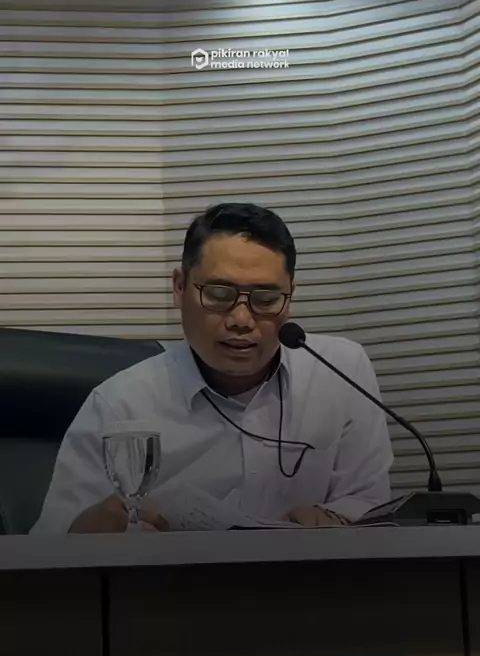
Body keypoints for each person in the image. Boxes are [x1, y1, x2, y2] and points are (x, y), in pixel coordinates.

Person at [30, 202, 393, 535]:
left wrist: (334, 518)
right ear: (179, 287)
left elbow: (369, 500)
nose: (241, 320)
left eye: (266, 299)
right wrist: (88, 532)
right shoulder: (119, 404)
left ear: (290, 296)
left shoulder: (341, 372)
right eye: (219, 295)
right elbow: (44, 551)